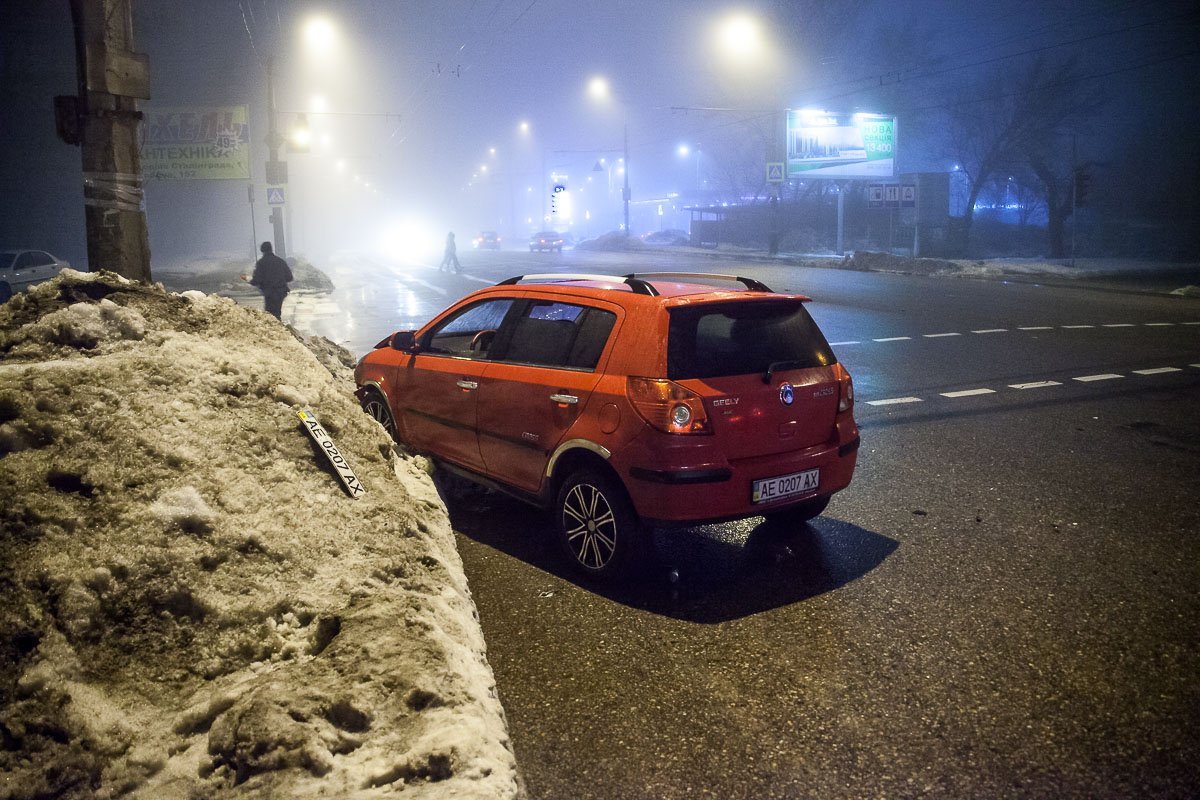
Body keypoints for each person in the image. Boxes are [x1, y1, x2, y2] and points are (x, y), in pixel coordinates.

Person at [243, 241, 293, 320]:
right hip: (281, 292)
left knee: (270, 316)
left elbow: (257, 280)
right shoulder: (280, 261)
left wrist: (247, 279)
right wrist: (280, 280)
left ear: (262, 250)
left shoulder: (261, 263)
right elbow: (289, 277)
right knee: (277, 313)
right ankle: (279, 329)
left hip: (269, 293)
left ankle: (276, 330)